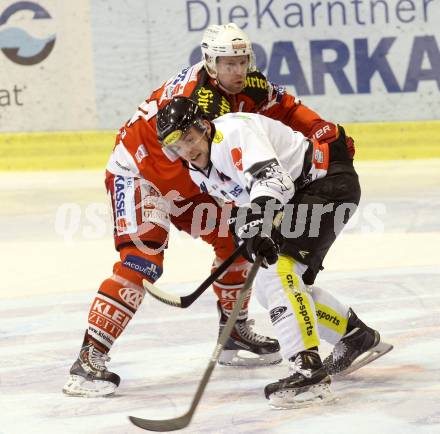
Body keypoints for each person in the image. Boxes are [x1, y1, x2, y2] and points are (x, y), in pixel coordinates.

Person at [63, 22, 357, 398]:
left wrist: (323, 133)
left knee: (236, 239)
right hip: (138, 172)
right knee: (143, 258)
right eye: (227, 63)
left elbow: (287, 108)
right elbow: (185, 156)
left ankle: (233, 331)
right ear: (209, 62)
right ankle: (90, 356)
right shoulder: (196, 102)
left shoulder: (248, 85)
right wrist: (244, 202)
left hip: (191, 172)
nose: (237, 70)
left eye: (241, 61)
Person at [155, 96, 393, 408]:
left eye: (189, 138)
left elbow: (273, 181)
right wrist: (250, 230)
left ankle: (308, 370)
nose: (187, 150)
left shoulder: (234, 134)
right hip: (302, 195)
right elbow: (243, 203)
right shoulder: (198, 171)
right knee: (275, 287)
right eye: (176, 146)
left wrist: (258, 219)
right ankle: (354, 337)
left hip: (326, 183)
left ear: (203, 127)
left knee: (277, 273)